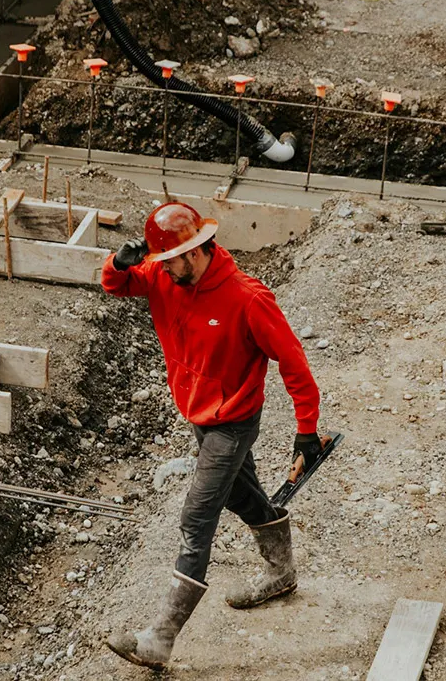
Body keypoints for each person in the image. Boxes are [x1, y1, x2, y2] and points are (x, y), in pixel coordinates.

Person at [99, 201, 328, 669]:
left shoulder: (247, 298)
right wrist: (117, 263)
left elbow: (293, 361)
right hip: (197, 412)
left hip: (233, 422)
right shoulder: (165, 275)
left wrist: (306, 431)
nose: (160, 269)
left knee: (197, 516)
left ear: (195, 251)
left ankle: (159, 640)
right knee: (241, 496)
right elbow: (117, 285)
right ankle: (282, 572)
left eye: (169, 261)